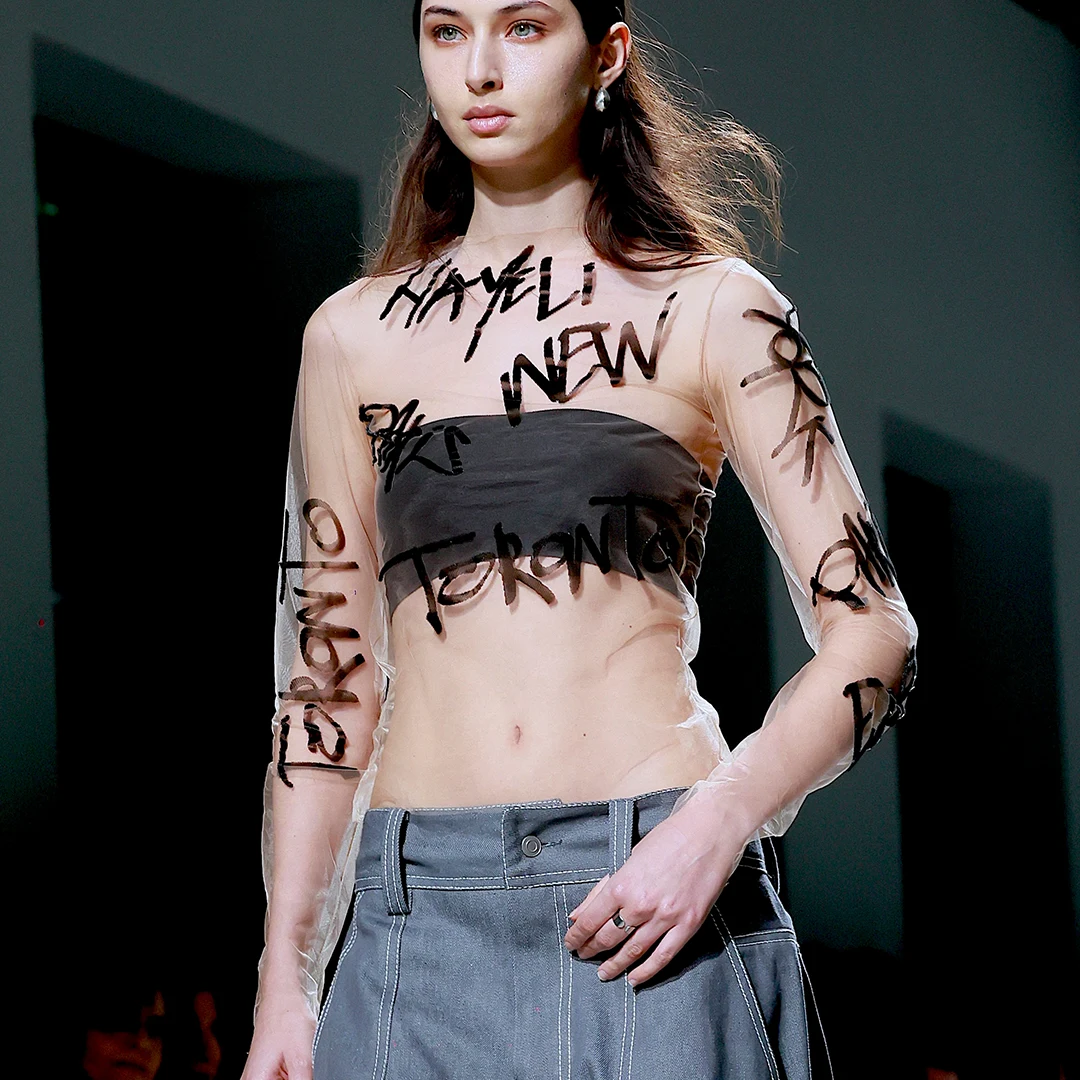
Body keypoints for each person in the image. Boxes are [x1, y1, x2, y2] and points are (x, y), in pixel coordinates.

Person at [242, 0, 918, 1076]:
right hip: (414, 923)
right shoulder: (352, 337)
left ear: (606, 53)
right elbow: (328, 686)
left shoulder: (714, 307)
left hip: (653, 895)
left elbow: (875, 631)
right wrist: (284, 981)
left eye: (523, 27)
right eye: (446, 31)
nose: (479, 69)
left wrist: (720, 822)